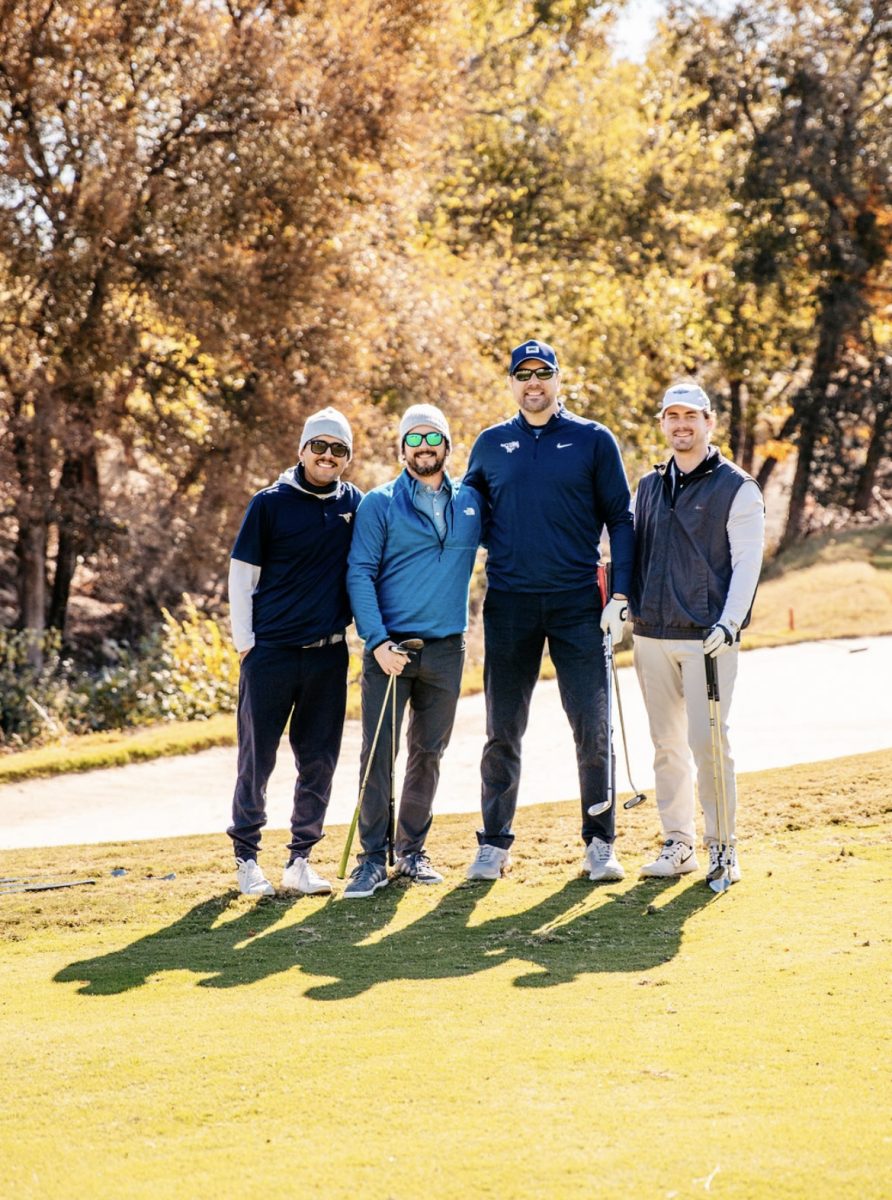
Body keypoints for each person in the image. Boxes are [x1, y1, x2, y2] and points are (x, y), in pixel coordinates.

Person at [462, 338, 635, 883]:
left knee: (592, 726)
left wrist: (622, 595)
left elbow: (621, 519)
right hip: (510, 603)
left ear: (559, 380)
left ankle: (600, 843)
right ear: (512, 383)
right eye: (523, 375)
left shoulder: (592, 440)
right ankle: (493, 844)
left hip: (578, 602)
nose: (533, 384)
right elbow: (463, 519)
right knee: (502, 728)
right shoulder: (490, 444)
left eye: (543, 374)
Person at [343, 404, 483, 899]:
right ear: (401, 448)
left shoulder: (471, 501)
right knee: (378, 755)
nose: (424, 448)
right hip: (390, 649)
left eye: (433, 439)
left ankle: (411, 853)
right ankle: (370, 860)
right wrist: (377, 641)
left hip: (447, 649)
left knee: (429, 753)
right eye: (414, 440)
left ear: (447, 445)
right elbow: (359, 573)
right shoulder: (379, 504)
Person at [630, 381, 764, 884]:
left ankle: (723, 848)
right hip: (651, 634)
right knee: (666, 745)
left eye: (691, 416)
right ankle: (678, 842)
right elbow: (633, 552)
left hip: (707, 637)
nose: (681, 425)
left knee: (708, 743)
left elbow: (748, 564)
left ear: (710, 422)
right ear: (663, 423)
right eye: (672, 416)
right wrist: (623, 604)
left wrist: (730, 623)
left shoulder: (737, 487)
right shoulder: (648, 485)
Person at [227, 407, 362, 896]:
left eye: (338, 449)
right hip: (272, 654)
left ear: (348, 457)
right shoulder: (270, 504)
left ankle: (300, 859)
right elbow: (242, 578)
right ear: (303, 449)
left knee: (319, 760)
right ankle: (246, 859)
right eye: (319, 446)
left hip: (328, 655)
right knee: (257, 759)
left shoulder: (356, 504)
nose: (328, 456)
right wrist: (247, 646)